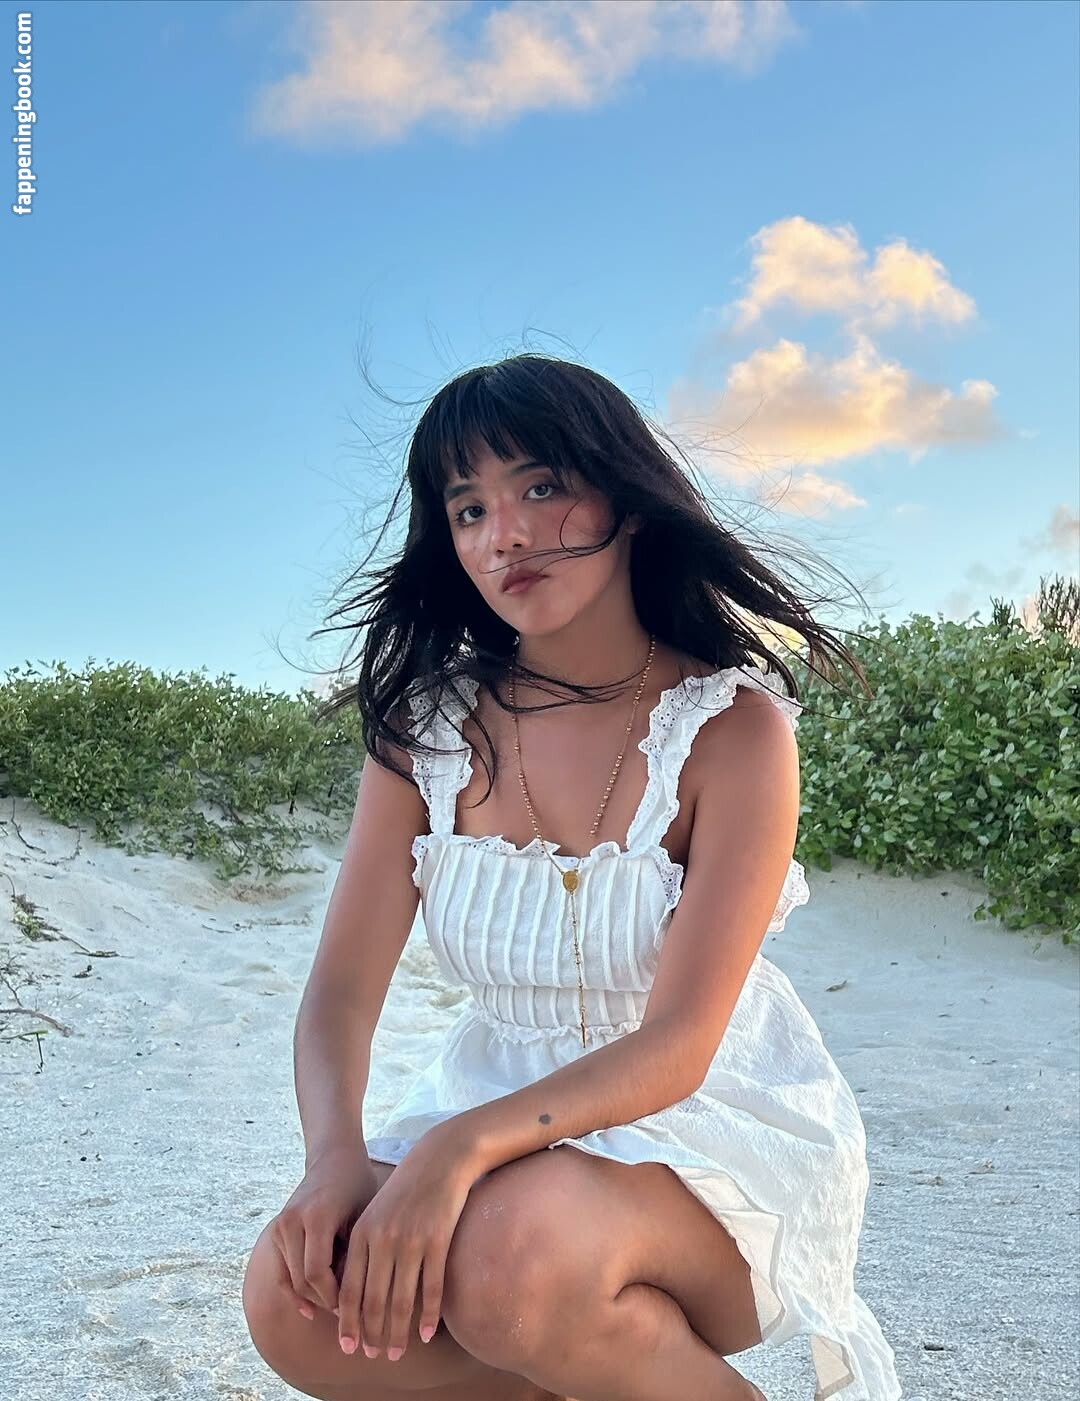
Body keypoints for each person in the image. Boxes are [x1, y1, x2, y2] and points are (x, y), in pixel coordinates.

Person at [241, 354, 904, 1401]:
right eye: (469, 508)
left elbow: (679, 1043)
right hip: (492, 1118)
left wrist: (458, 1150)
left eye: (541, 486)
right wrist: (333, 1160)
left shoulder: (732, 732)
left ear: (626, 500)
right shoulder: (424, 734)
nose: (503, 535)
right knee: (295, 1294)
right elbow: (340, 994)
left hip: (711, 1132)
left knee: (513, 1259)